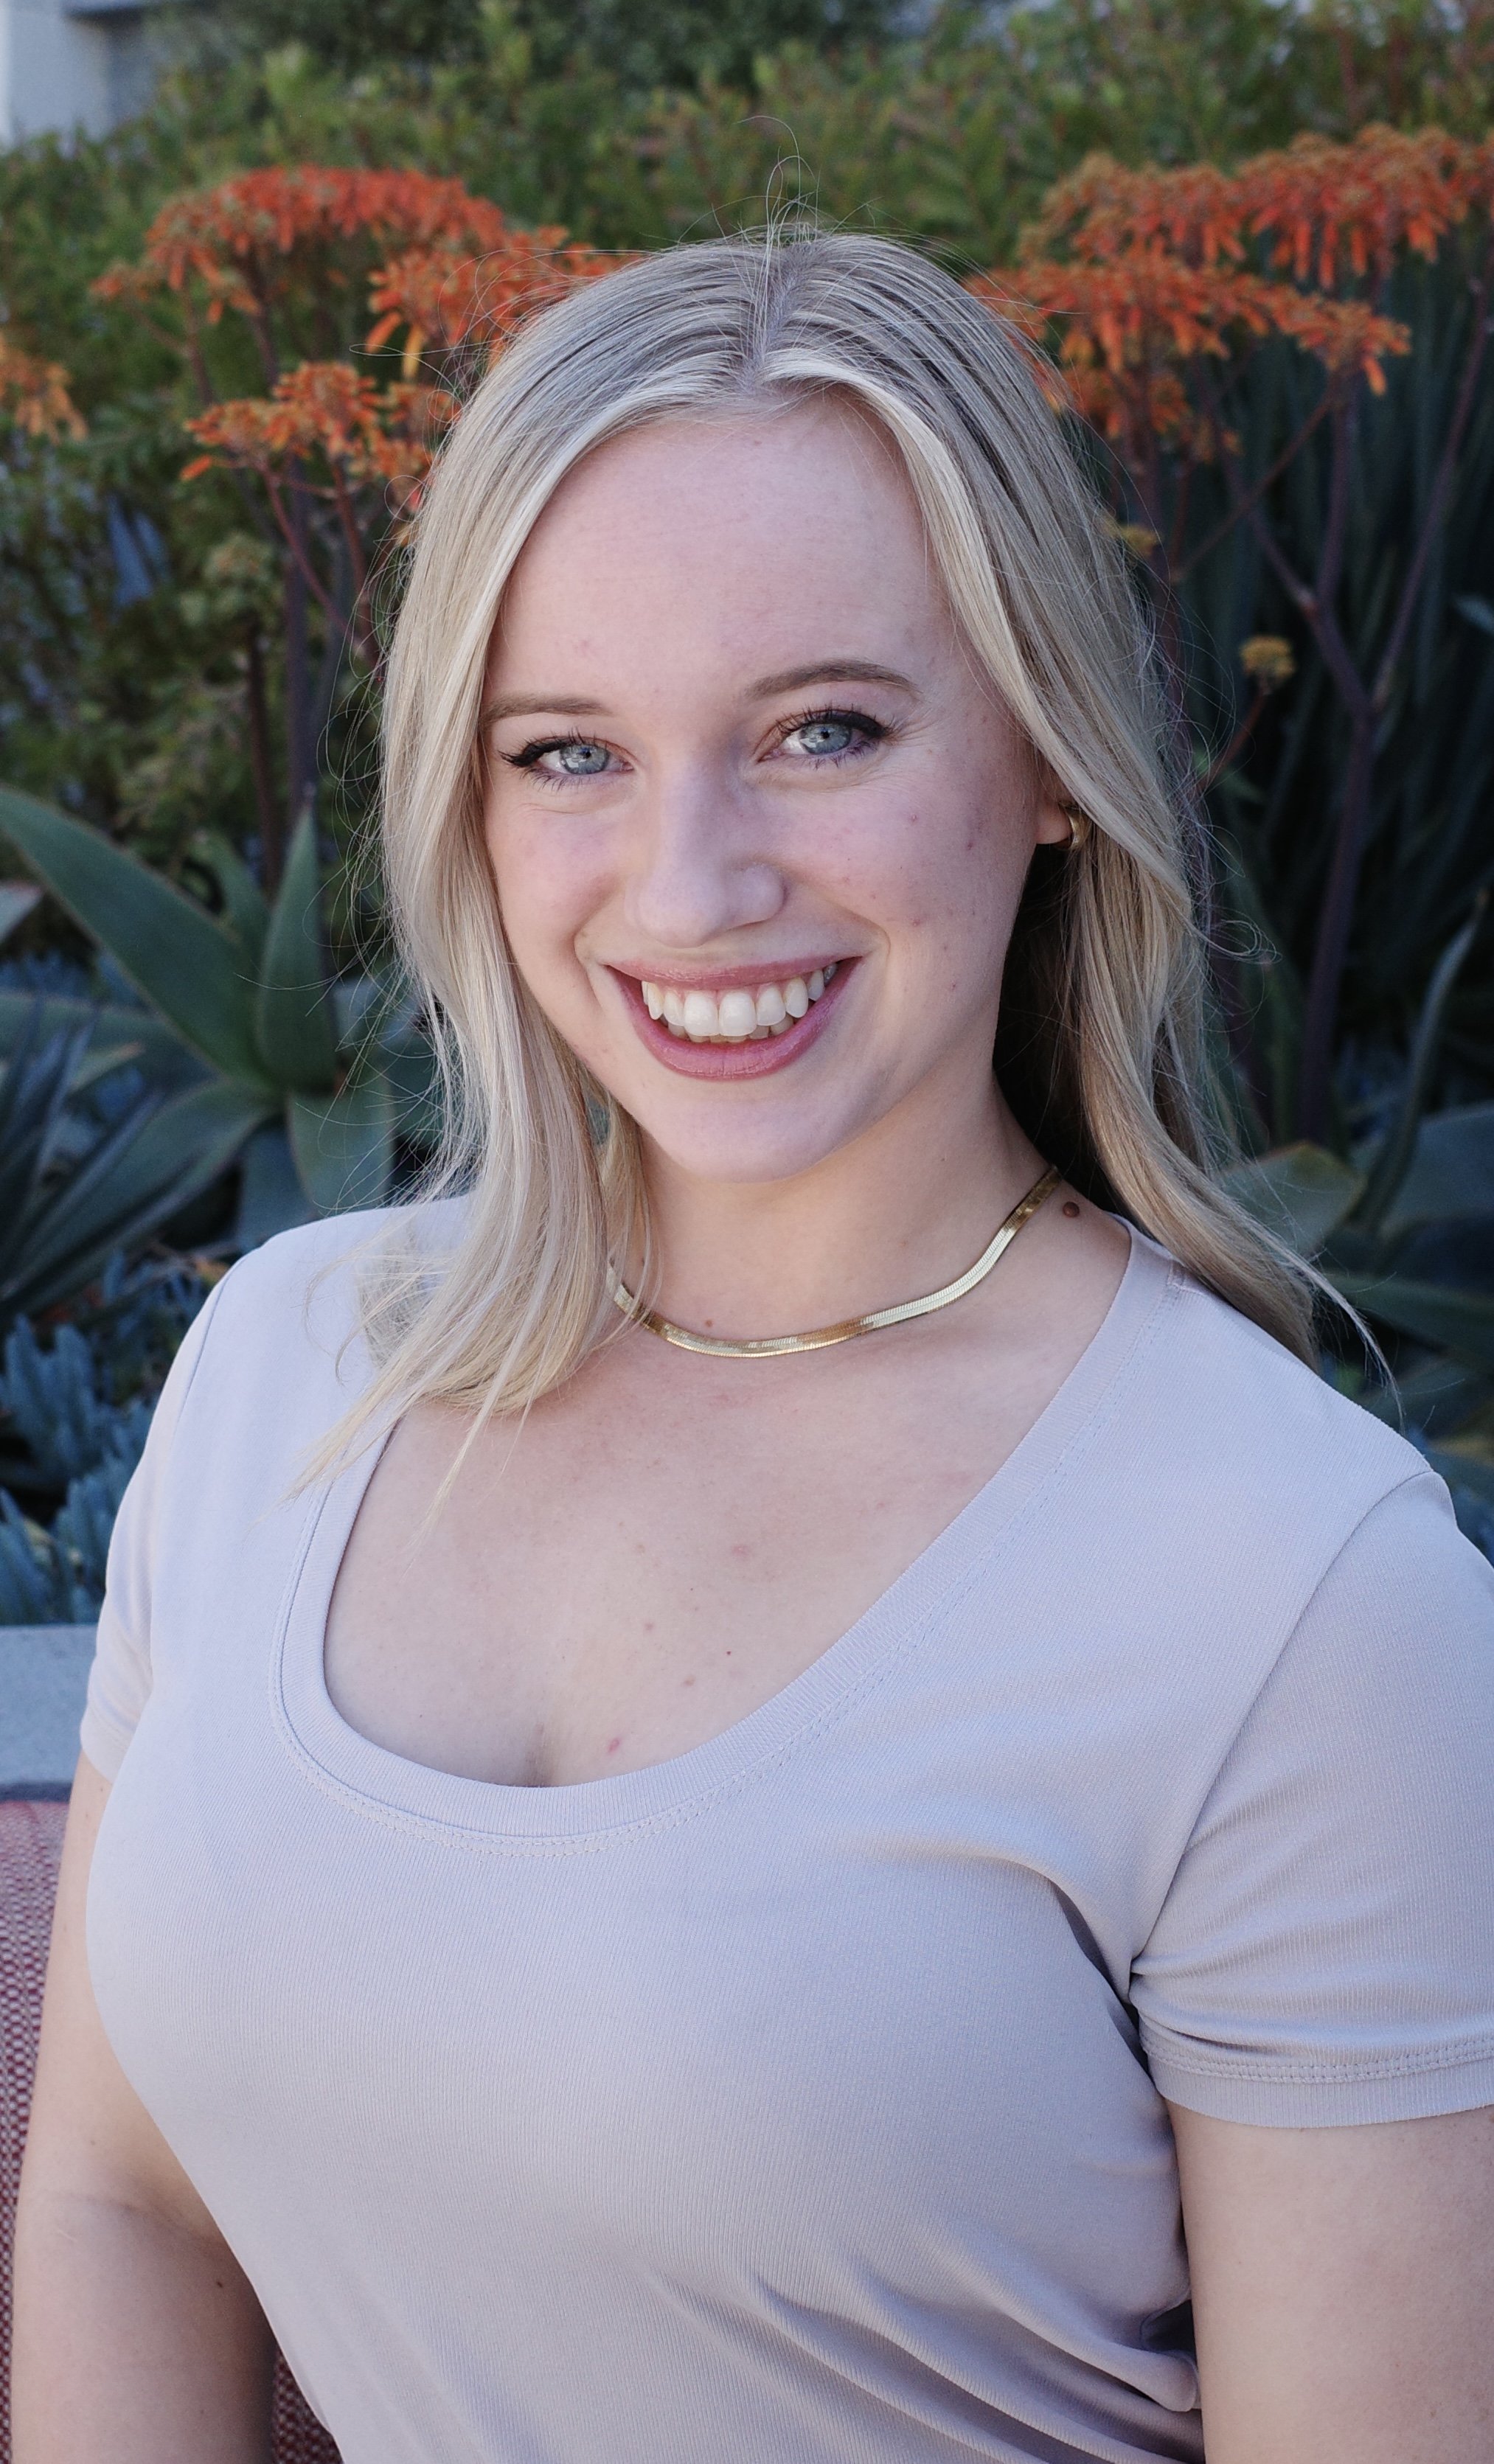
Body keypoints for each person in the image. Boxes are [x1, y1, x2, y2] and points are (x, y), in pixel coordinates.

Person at [13, 230, 1494, 2464]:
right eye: (569, 752)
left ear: (1051, 754)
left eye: (823, 731)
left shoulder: (1303, 1594)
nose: (691, 885)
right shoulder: (288, 1373)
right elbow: (127, 2210)